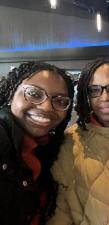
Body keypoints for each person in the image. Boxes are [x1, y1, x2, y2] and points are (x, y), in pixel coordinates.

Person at [48, 59, 109, 225]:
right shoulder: (72, 141)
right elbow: (61, 209)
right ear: (86, 95)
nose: (105, 97)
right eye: (94, 90)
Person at [0, 62, 74, 225]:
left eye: (60, 101)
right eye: (34, 93)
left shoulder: (48, 148)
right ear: (12, 93)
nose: (47, 107)